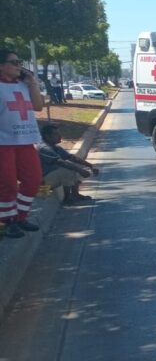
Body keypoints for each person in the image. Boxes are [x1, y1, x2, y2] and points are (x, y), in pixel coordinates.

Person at [0, 49, 45, 238]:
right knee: (8, 183)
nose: (19, 65)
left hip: (25, 140)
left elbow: (38, 106)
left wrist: (33, 84)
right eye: (14, 62)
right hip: (3, 142)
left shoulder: (24, 85)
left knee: (33, 180)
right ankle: (9, 221)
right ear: (2, 66)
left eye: (20, 62)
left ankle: (21, 216)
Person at [38, 123, 98, 205]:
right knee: (67, 169)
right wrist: (80, 170)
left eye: (59, 134)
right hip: (41, 186)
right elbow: (61, 162)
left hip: (49, 179)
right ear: (47, 136)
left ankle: (75, 195)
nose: (59, 136)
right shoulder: (44, 148)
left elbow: (72, 158)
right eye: (56, 134)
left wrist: (90, 165)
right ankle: (67, 199)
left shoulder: (55, 147)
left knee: (72, 166)